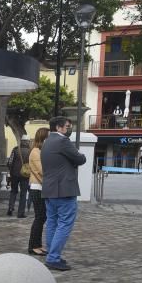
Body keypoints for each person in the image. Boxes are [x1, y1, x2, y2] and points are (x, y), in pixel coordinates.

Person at [41, 116, 87, 271]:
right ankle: (53, 257)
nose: (69, 129)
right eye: (67, 126)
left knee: (52, 223)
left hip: (49, 189)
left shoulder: (47, 142)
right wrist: (78, 158)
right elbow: (80, 159)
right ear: (58, 128)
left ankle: (51, 255)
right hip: (64, 190)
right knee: (65, 224)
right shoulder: (62, 141)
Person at [27, 127, 49, 256]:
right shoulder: (35, 152)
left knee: (42, 217)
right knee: (39, 217)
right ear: (43, 138)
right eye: (48, 137)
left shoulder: (40, 151)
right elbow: (42, 171)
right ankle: (33, 246)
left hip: (41, 187)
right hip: (37, 188)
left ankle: (38, 244)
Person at [7, 135, 31, 218]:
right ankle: (20, 213)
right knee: (23, 193)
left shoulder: (15, 149)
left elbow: (9, 162)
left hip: (14, 174)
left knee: (13, 191)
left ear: (21, 141)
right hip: (25, 175)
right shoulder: (30, 151)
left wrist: (11, 171)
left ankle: (10, 208)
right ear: (28, 141)